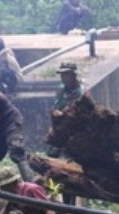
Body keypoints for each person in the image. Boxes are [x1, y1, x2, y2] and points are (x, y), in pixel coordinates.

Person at [48, 62, 85, 204]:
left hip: (72, 137)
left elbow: (77, 117)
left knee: (69, 171)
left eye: (66, 74)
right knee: (53, 167)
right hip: (58, 135)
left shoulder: (80, 93)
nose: (63, 77)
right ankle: (57, 200)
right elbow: (55, 107)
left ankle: (70, 206)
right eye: (62, 74)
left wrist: (62, 116)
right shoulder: (61, 90)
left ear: (73, 75)